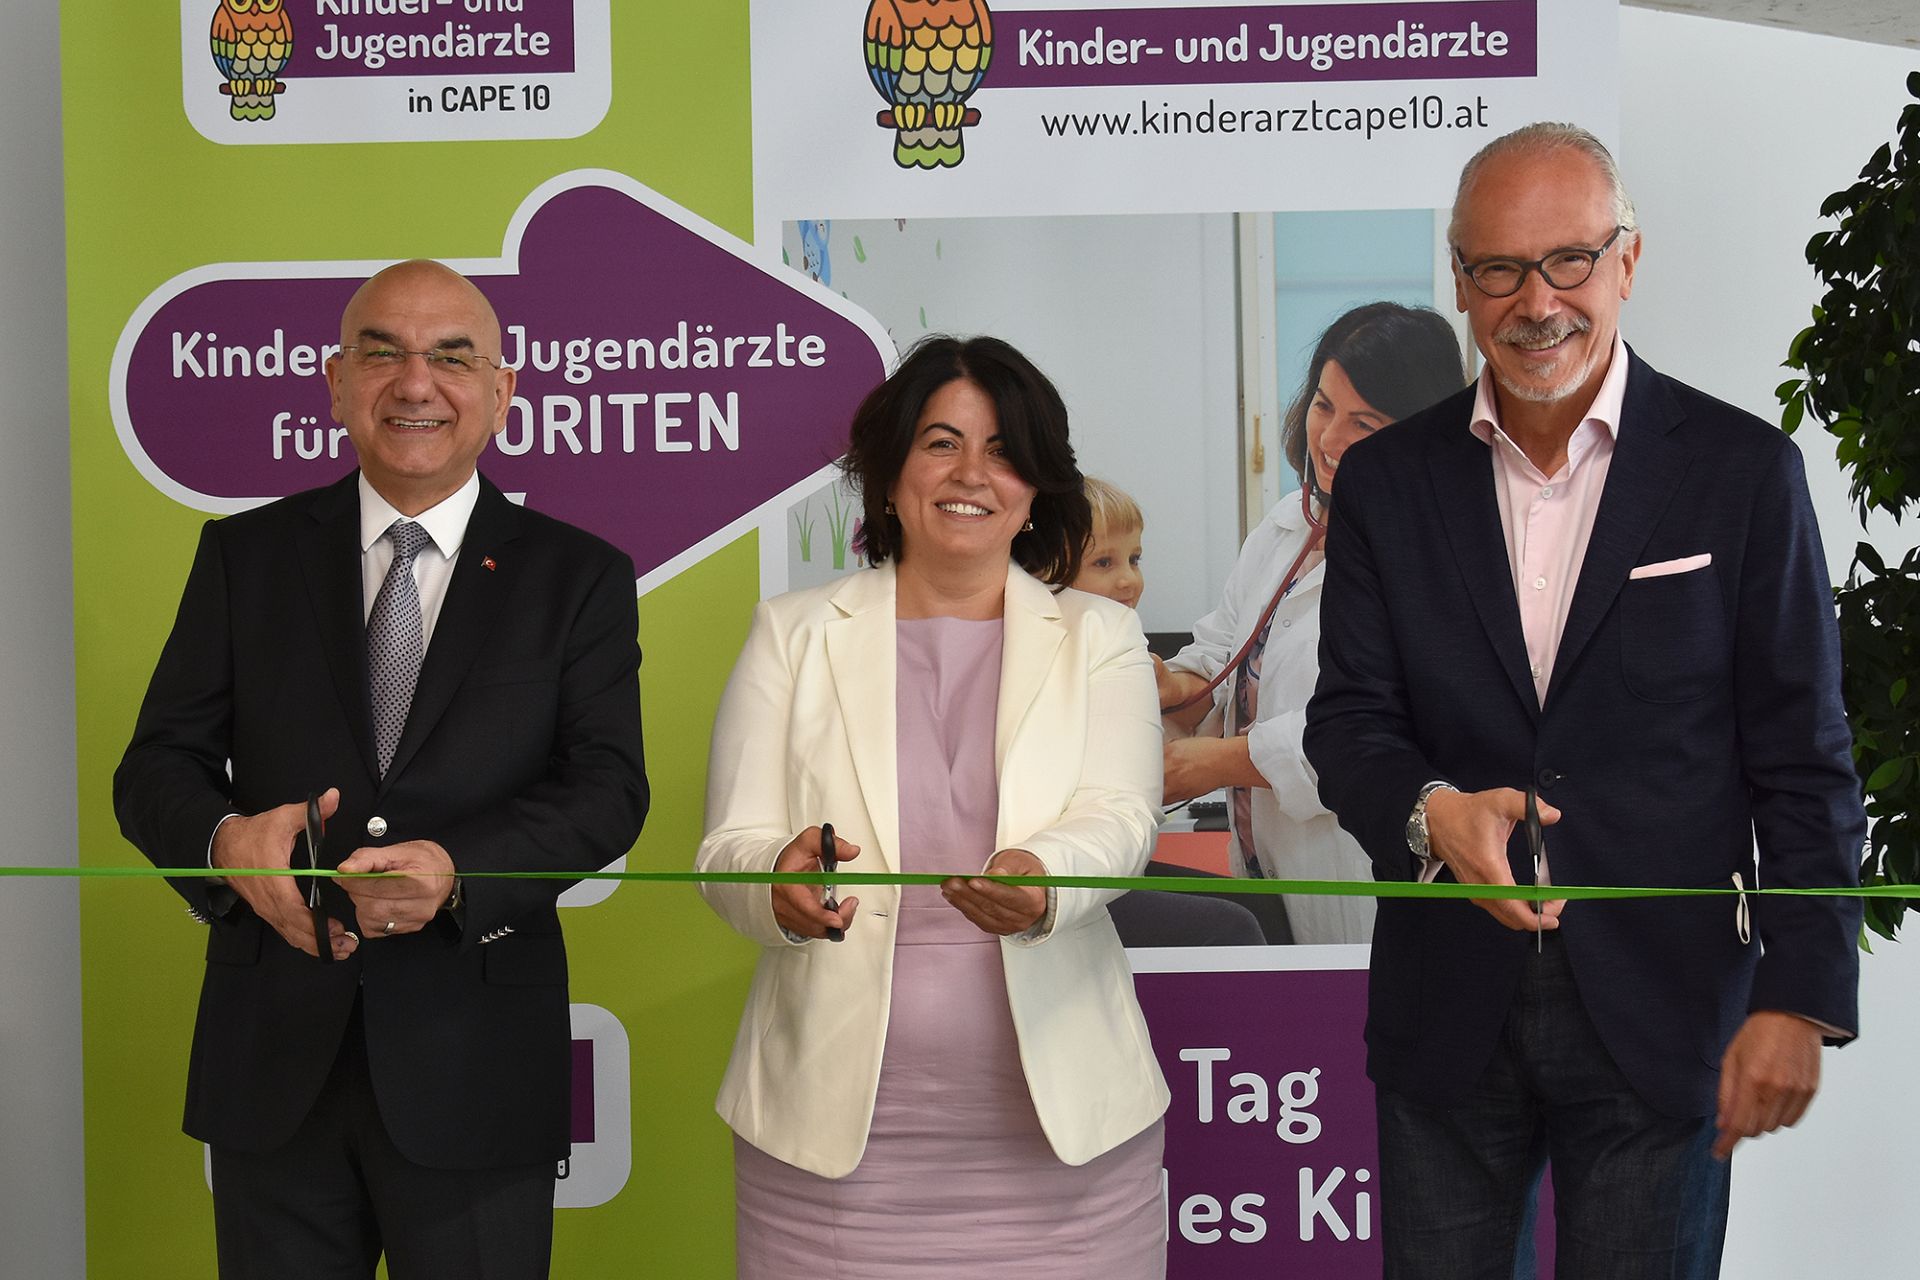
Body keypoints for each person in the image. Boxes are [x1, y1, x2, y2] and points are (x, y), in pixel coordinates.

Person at [1303, 123, 1865, 1278]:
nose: (1536, 300)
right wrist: (1429, 812)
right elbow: (1348, 720)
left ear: (1627, 260)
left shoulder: (1742, 471)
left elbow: (1803, 754)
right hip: (1446, 1004)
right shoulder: (1386, 483)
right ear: (1460, 281)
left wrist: (1803, 995)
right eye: (1499, 268)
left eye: (1568, 259)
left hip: (1665, 1006)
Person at [113, 260, 650, 1279]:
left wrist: (459, 868)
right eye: (382, 353)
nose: (415, 383)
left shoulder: (576, 575)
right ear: (335, 382)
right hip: (274, 1062)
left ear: (502, 389)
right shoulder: (244, 557)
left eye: (452, 357)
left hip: (477, 1061)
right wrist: (226, 842)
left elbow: (607, 790)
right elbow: (156, 766)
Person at [696, 335, 1169, 1278]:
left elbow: (1122, 817)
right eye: (941, 443)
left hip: (1066, 1148)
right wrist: (774, 883)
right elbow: (729, 847)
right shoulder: (792, 633)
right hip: (826, 1154)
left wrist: (1045, 878)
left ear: (1036, 485)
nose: (970, 475)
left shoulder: (1101, 636)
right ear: (889, 472)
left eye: (1002, 450)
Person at [1157, 302, 1466, 945]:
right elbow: (1225, 646)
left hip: (1358, 871)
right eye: (1324, 406)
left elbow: (1377, 727)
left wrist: (1217, 763)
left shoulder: (1435, 556)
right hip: (1264, 860)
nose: (1328, 439)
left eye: (1364, 422)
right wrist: (1172, 684)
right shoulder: (1287, 524)